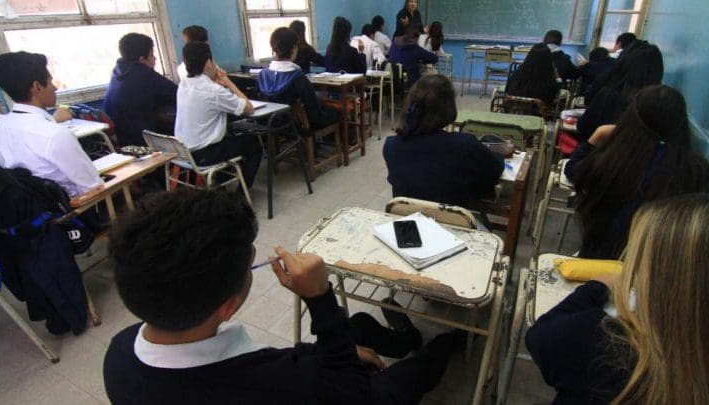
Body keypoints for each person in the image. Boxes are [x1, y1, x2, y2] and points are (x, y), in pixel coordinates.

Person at [103, 188, 466, 404]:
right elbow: (353, 394)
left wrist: (325, 352)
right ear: (227, 306)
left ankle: (407, 339)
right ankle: (445, 344)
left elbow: (283, 364)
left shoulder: (119, 354)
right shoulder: (281, 384)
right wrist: (320, 298)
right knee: (410, 374)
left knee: (357, 324)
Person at [526, 193, 709, 404]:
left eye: (641, 264)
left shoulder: (606, 346)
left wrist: (597, 286)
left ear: (666, 287)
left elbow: (539, 337)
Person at [565, 85, 709, 259]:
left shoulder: (613, 162)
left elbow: (573, 171)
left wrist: (597, 135)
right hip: (658, 266)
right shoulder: (697, 172)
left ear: (630, 118)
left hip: (600, 261)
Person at [383, 75, 504, 210]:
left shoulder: (391, 146)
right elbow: (495, 172)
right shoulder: (465, 145)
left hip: (408, 220)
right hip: (454, 222)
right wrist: (495, 153)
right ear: (448, 108)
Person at [0, 51, 102, 197]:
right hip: (77, 206)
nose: (55, 88)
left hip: (34, 206)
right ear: (37, 87)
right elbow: (93, 187)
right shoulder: (56, 135)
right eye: (50, 81)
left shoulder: (1, 128)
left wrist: (54, 120)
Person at [175, 41, 262, 187]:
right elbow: (249, 108)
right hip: (203, 155)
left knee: (228, 139)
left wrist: (217, 86)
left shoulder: (183, 84)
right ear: (208, 62)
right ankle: (241, 195)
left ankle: (221, 185)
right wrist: (229, 83)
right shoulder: (214, 91)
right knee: (253, 143)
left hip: (183, 152)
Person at [576, 40, 663, 140]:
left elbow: (582, 126)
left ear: (623, 62)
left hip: (601, 147)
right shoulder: (662, 103)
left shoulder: (609, 94)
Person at [103, 33, 177, 146]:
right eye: (152, 55)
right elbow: (178, 94)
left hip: (121, 137)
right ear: (142, 59)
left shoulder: (118, 70)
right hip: (140, 139)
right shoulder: (143, 74)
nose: (155, 58)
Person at [258, 27, 340, 130]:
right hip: (299, 127)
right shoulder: (298, 77)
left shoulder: (263, 75)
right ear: (293, 48)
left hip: (274, 124)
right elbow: (315, 115)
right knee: (336, 111)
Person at [505, 43, 561, 110]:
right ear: (548, 58)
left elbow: (507, 89)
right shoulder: (549, 79)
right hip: (539, 113)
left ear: (529, 55)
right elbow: (552, 98)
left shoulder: (517, 73)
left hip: (513, 110)